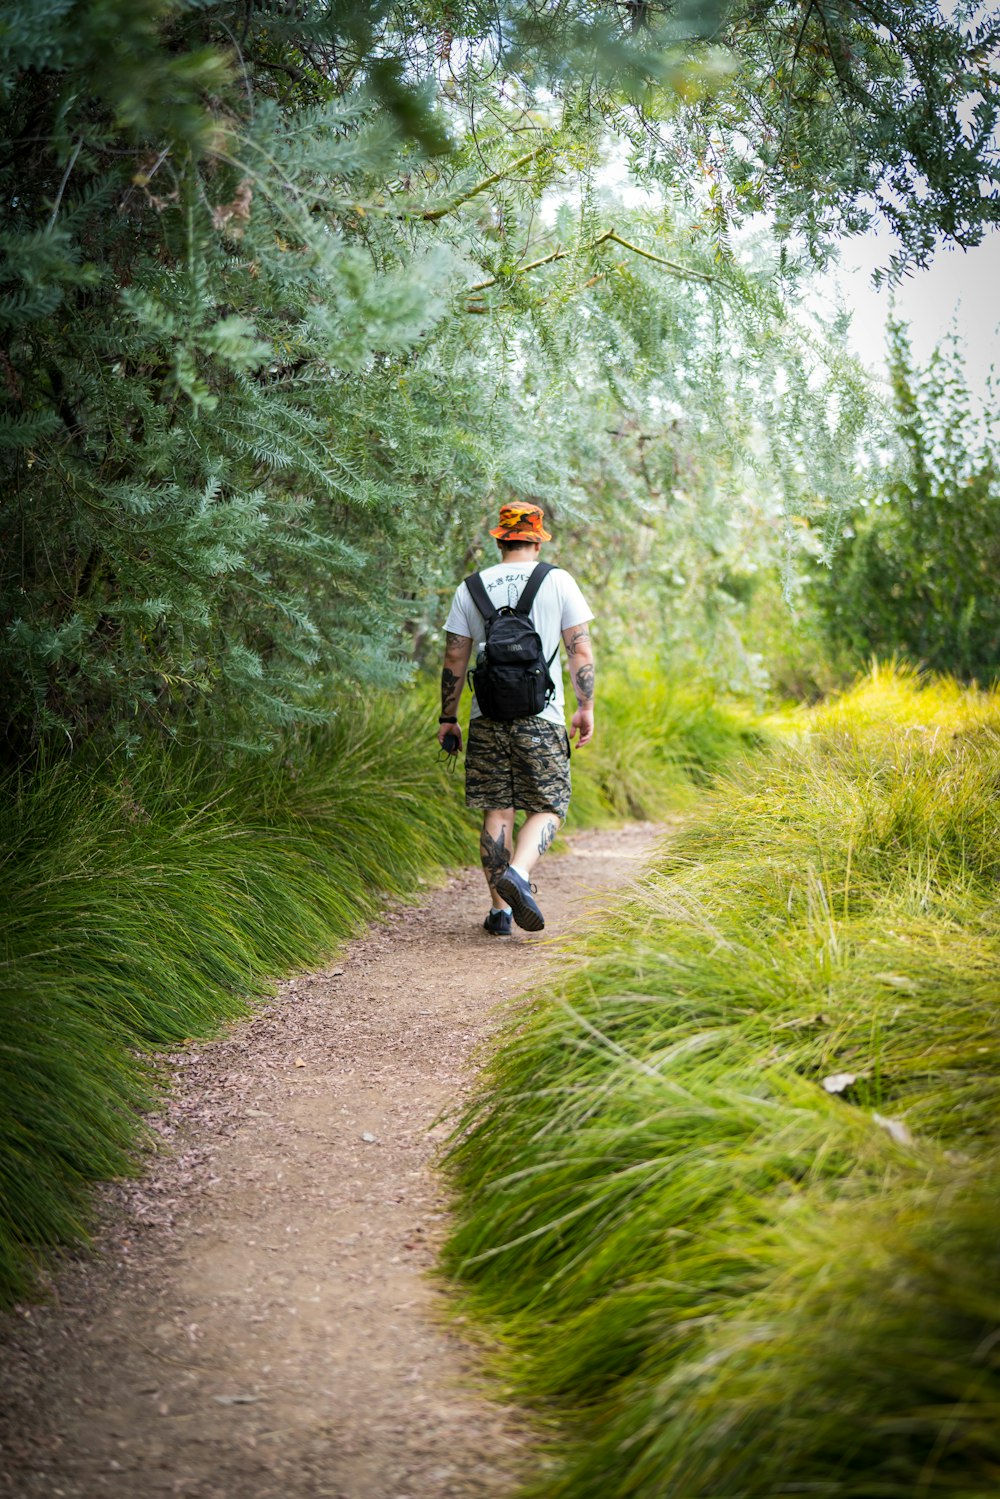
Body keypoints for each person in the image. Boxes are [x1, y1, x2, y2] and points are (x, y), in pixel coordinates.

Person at [436, 502, 595, 935]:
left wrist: (447, 717)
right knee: (549, 805)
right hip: (542, 716)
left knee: (497, 811)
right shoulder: (557, 581)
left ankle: (500, 913)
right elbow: (579, 649)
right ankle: (520, 875)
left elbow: (455, 655)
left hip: (486, 718)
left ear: (500, 538)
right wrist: (585, 707)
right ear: (537, 538)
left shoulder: (471, 587)